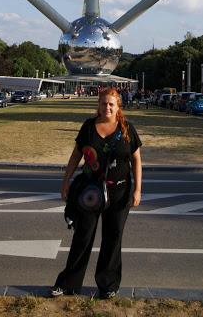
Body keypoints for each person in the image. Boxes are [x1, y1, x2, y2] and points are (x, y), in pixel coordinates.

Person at [51, 87, 142, 299]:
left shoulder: (128, 129)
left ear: (118, 106)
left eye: (111, 104)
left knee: (113, 238)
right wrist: (66, 181)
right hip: (90, 192)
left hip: (119, 192)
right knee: (83, 236)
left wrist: (138, 189)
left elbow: (136, 160)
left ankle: (108, 285)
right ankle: (68, 284)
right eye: (103, 103)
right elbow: (76, 156)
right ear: (98, 105)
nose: (107, 107)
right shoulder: (88, 127)